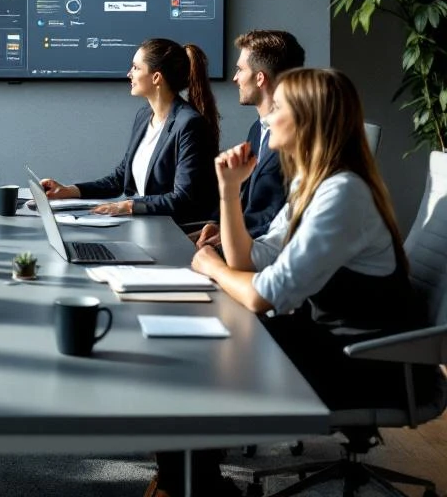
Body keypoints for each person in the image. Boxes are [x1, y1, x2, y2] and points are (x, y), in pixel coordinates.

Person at [156, 68, 438, 497]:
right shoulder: (312, 184)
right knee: (197, 348)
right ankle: (188, 484)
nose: (266, 117)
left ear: (308, 120)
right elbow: (249, 260)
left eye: (279, 107)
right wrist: (230, 191)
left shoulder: (342, 194)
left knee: (200, 360)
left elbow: (263, 295)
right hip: (333, 344)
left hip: (372, 366)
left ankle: (192, 487)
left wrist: (211, 267)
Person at [40, 38, 220, 226]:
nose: (129, 74)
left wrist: (127, 206)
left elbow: (182, 198)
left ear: (156, 77)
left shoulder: (189, 124)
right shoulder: (144, 116)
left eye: (136, 68)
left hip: (171, 229)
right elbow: (120, 177)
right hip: (141, 223)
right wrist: (69, 191)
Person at [194, 30, 305, 247]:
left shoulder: (295, 137)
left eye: (240, 70)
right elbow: (249, 201)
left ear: (260, 78)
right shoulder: (258, 129)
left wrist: (226, 238)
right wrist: (217, 223)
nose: (235, 78)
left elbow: (278, 218)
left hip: (265, 247)